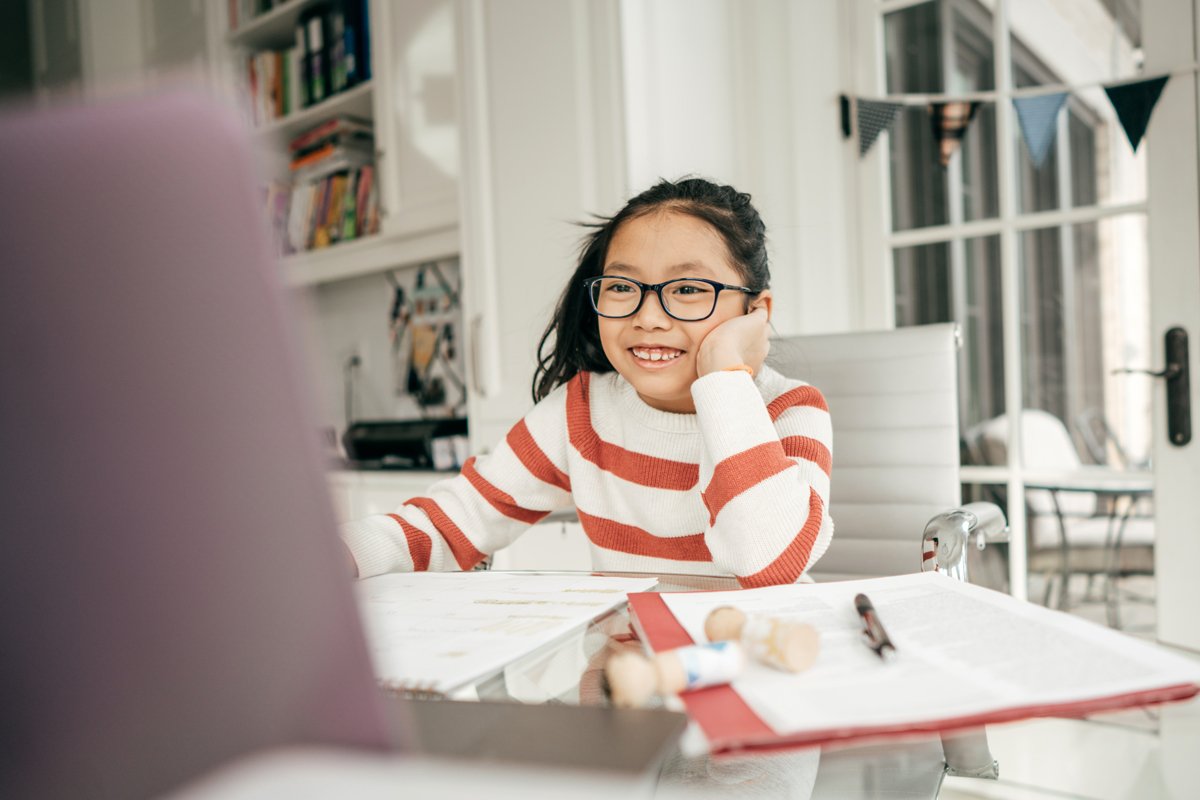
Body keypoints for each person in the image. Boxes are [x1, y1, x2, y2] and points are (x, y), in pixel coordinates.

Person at [341, 177, 833, 587]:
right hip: (626, 675)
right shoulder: (580, 412)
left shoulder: (790, 410)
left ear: (755, 312)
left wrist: (724, 374)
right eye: (622, 287)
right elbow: (454, 522)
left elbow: (769, 561)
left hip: (760, 675)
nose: (648, 316)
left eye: (687, 289)